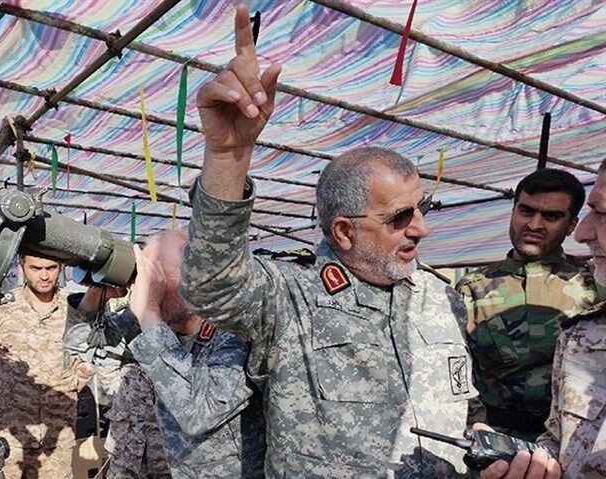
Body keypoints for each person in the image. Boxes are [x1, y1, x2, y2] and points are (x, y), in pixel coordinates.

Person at [180, 4, 560, 478]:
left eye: (422, 208)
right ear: (344, 231)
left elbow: (464, 403)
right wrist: (228, 157)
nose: (421, 229)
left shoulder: (440, 298)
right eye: (401, 217)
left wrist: (484, 443)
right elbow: (212, 284)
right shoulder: (291, 300)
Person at [68, 231, 266, 479]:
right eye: (144, 275)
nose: (148, 286)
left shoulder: (234, 332)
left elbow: (199, 413)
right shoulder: (150, 322)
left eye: (157, 274)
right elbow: (81, 346)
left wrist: (149, 313)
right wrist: (97, 293)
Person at [456, 169, 598, 440]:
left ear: (571, 226)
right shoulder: (473, 288)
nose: (534, 225)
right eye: (526, 211)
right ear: (513, 212)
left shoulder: (594, 283)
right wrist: (477, 427)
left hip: (572, 441)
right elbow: (456, 370)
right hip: (493, 440)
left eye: (551, 216)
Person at [0, 254, 104, 479]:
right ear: (21, 265)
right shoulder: (2, 307)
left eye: (51, 267)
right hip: (8, 438)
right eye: (36, 268)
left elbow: (89, 353)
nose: (45, 276)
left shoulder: (74, 308)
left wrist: (74, 382)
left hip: (56, 438)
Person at [537, 160, 606, 477]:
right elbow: (557, 440)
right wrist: (535, 464)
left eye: (603, 213)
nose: (582, 234)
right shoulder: (581, 334)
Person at [66, 289, 173, 479]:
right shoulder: (133, 318)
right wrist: (96, 293)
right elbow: (79, 342)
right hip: (125, 455)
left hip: (174, 462)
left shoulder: (204, 323)